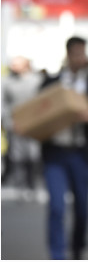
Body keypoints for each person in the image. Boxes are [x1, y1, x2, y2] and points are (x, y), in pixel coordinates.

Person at [40, 36, 88, 260]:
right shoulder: (51, 84)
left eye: (84, 52)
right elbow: (37, 116)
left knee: (81, 208)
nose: (82, 57)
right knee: (56, 206)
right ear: (69, 54)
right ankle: (57, 255)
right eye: (77, 53)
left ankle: (77, 249)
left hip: (82, 154)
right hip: (55, 154)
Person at [1, 56, 43, 198]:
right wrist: (8, 123)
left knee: (33, 156)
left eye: (17, 64)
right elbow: (5, 105)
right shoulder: (7, 82)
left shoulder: (37, 81)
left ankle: (31, 185)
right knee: (17, 157)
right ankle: (20, 186)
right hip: (16, 125)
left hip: (34, 125)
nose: (13, 66)